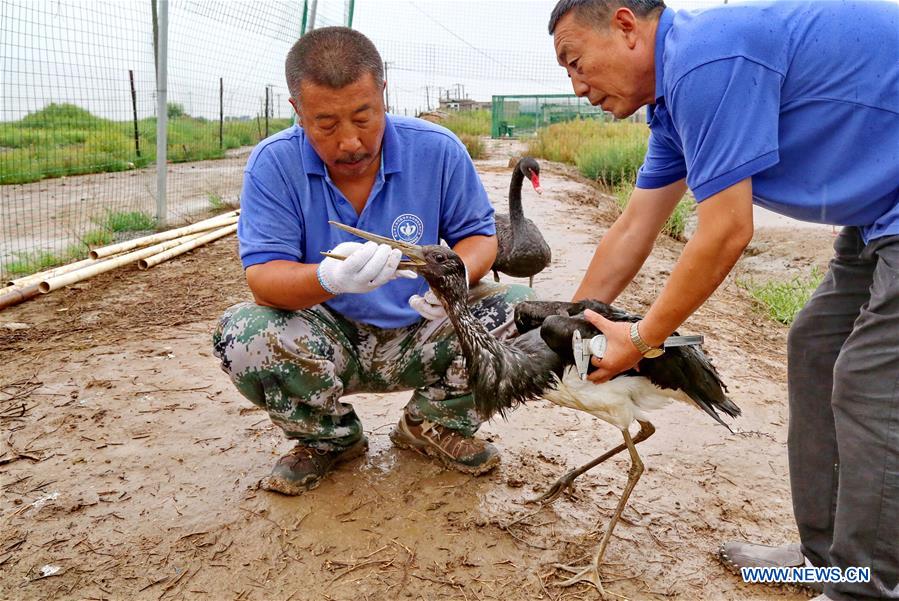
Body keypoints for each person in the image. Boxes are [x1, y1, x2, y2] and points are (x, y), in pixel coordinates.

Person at [547, 1, 898, 599]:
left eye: (576, 63)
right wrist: (564, 327)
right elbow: (635, 227)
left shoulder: (705, 59)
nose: (578, 87)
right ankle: (826, 556)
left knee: (870, 379)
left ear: (627, 26)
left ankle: (866, 588)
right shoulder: (674, 108)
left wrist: (640, 338)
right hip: (877, 214)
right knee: (814, 347)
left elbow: (727, 232)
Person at [213, 27, 533, 496]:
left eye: (365, 117)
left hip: (424, 327)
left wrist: (455, 280)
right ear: (297, 112)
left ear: (384, 93)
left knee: (520, 310)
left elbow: (479, 237)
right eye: (325, 124)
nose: (350, 143)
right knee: (242, 335)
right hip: (328, 335)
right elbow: (263, 279)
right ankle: (327, 438)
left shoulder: (438, 150)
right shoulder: (272, 164)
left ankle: (434, 423)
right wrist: (331, 277)